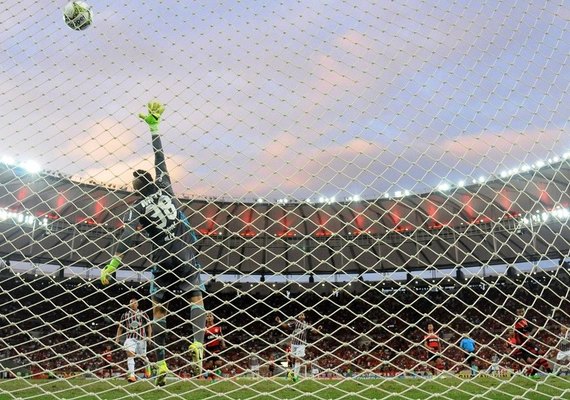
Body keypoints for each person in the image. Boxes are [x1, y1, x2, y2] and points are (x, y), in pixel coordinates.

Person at [101, 101, 207, 386]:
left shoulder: (136, 207)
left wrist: (113, 264)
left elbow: (126, 236)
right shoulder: (165, 187)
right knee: (196, 298)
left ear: (136, 189)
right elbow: (160, 157)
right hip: (185, 256)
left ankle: (160, 364)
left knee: (159, 309)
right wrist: (154, 127)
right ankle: (197, 344)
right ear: (153, 181)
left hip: (161, 261)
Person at [275, 312, 322, 382]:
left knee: (298, 359)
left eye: (303, 315)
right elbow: (286, 326)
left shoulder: (307, 324)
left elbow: (314, 332)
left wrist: (318, 329)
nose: (301, 316)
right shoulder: (294, 323)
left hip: (301, 345)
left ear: (304, 317)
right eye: (300, 315)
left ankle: (296, 376)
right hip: (293, 344)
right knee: (293, 360)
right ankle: (293, 374)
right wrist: (279, 321)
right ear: (298, 317)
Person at [116, 298, 152, 382]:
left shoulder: (143, 313)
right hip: (130, 338)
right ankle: (132, 375)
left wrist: (149, 337)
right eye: (131, 302)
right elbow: (120, 327)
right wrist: (117, 339)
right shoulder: (125, 315)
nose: (133, 304)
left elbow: (149, 325)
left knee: (143, 357)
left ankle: (148, 367)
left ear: (138, 304)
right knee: (130, 355)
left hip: (141, 338)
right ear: (129, 304)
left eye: (135, 302)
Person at [204, 312, 225, 379]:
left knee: (218, 363)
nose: (209, 317)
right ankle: (212, 377)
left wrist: (223, 343)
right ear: (205, 318)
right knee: (209, 365)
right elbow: (202, 339)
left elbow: (221, 336)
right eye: (207, 316)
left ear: (213, 317)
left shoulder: (218, 328)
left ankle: (217, 372)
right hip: (208, 349)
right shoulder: (204, 329)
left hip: (216, 347)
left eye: (210, 316)